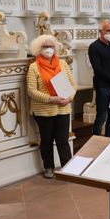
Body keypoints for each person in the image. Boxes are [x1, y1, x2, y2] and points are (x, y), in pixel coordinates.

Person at [26, 34, 76, 177]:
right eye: (45, 46)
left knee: (63, 140)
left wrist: (69, 98)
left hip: (63, 108)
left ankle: (68, 168)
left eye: (51, 46)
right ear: (38, 49)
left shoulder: (63, 64)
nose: (48, 49)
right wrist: (51, 99)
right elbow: (31, 91)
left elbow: (73, 85)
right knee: (47, 140)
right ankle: (48, 167)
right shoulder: (34, 67)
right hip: (44, 110)